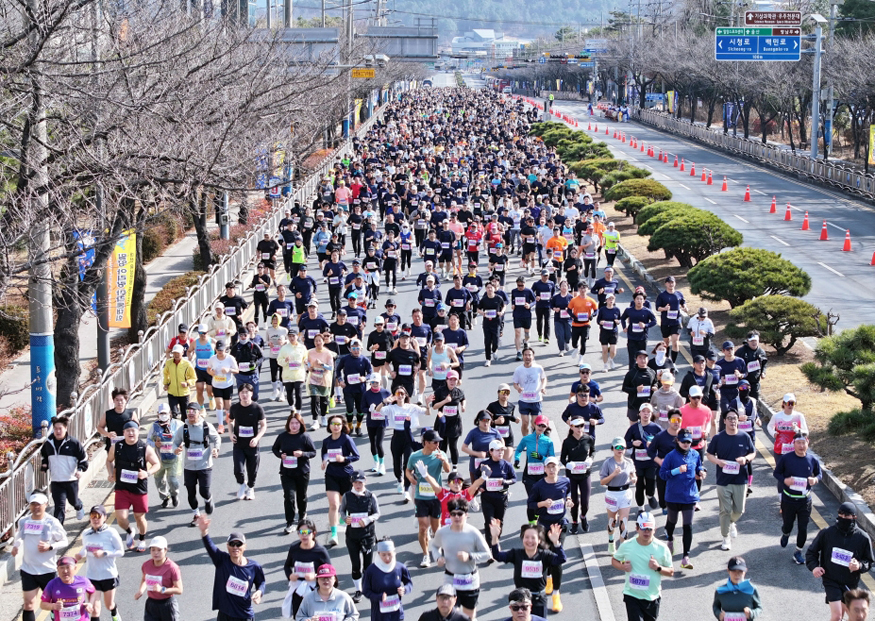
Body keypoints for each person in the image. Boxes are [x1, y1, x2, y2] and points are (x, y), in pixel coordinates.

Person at [806, 501, 875, 621]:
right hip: (830, 579)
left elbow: (869, 561)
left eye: (847, 515)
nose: (843, 518)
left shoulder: (863, 538)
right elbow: (811, 552)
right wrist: (814, 567)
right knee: (837, 616)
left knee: (848, 615)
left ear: (854, 517)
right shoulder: (827, 533)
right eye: (840, 515)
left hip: (850, 582)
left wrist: (859, 565)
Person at [429, 498, 492, 621]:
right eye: (453, 514)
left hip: (469, 580)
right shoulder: (442, 532)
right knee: (451, 616)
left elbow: (487, 554)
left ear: (466, 515)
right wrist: (438, 558)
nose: (456, 517)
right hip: (450, 579)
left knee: (469, 617)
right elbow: (434, 546)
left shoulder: (473, 533)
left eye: (460, 514)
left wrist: (470, 556)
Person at [11, 492, 69, 621]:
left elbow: (65, 541)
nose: (36, 507)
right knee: (28, 604)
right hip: (28, 569)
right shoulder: (24, 521)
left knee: (54, 605)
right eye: (33, 504)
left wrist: (50, 546)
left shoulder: (52, 522)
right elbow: (21, 536)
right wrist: (16, 546)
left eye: (39, 504)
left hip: (47, 570)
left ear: (46, 505)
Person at [491, 519, 565, 618]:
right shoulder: (516, 554)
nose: (529, 541)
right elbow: (497, 556)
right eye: (526, 537)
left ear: (539, 540)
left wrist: (556, 542)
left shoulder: (545, 555)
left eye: (533, 538)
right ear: (523, 539)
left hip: (539, 599)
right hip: (521, 601)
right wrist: (495, 537)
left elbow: (561, 559)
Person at [106, 420, 160, 553]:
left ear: (137, 432)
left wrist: (146, 473)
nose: (131, 433)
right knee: (121, 518)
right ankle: (130, 531)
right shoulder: (117, 447)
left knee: (139, 517)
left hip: (139, 489)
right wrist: (111, 473)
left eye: (133, 430)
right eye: (128, 431)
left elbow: (157, 464)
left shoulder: (145, 448)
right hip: (122, 488)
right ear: (123, 433)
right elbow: (109, 460)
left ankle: (142, 539)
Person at [705, 411, 756, 551]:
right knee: (725, 510)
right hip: (723, 480)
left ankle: (731, 522)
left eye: (735, 418)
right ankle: (725, 537)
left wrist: (745, 459)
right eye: (729, 418)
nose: (732, 421)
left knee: (739, 510)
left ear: (737, 421)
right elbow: (709, 454)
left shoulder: (744, 437)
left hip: (740, 479)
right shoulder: (718, 438)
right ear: (725, 421)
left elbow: (753, 452)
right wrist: (718, 462)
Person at [197, 517, 266, 621]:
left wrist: (259, 592)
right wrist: (204, 531)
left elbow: (261, 582)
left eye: (239, 544)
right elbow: (210, 546)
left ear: (245, 547)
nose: (235, 547)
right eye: (232, 544)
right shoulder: (222, 560)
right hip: (225, 615)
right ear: (227, 546)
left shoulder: (254, 566)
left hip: (244, 615)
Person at [526, 456, 571, 612]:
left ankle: (556, 595)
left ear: (559, 468)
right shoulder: (539, 486)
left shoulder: (565, 481)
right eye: (549, 467)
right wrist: (543, 504)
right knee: (547, 557)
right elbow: (530, 504)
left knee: (557, 559)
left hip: (560, 525)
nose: (552, 469)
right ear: (544, 469)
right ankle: (549, 579)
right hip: (544, 526)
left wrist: (569, 500)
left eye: (554, 466)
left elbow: (568, 494)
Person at [611, 511, 673, 621]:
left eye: (649, 529)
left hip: (652, 597)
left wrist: (658, 568)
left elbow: (671, 571)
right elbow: (614, 560)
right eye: (643, 528)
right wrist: (622, 567)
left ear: (655, 530)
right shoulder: (627, 545)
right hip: (632, 595)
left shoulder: (662, 548)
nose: (646, 532)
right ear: (637, 528)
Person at [659, 428, 706, 569]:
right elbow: (662, 475)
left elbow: (699, 466)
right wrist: (676, 471)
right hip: (673, 496)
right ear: (677, 441)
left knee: (688, 526)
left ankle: (686, 556)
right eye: (683, 441)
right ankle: (670, 539)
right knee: (672, 523)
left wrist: (701, 472)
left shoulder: (695, 454)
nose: (686, 444)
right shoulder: (671, 456)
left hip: (689, 496)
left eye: (688, 442)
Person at [407, 429, 452, 568]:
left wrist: (444, 461)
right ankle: (426, 555)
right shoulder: (415, 456)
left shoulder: (440, 454)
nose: (437, 444)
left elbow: (448, 470)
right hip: (421, 497)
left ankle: (437, 551)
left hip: (436, 497)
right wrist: (411, 478)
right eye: (435, 442)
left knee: (436, 528)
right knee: (422, 527)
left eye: (439, 442)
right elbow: (408, 470)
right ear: (426, 443)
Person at [774, 431, 821, 564]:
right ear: (793, 444)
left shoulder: (812, 459)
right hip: (788, 499)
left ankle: (798, 551)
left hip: (805, 500)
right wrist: (785, 480)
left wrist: (815, 480)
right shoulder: (786, 458)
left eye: (803, 443)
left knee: (803, 528)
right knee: (788, 524)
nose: (801, 446)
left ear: (808, 443)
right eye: (798, 443)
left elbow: (819, 474)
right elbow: (776, 473)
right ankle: (786, 533)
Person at [172, 402, 221, 527]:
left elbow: (216, 439)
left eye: (194, 411)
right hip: (189, 466)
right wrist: (175, 449)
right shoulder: (183, 428)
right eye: (188, 412)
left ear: (199, 413)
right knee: (191, 492)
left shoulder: (206, 426)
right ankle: (196, 514)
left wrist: (216, 448)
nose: (191, 414)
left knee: (204, 490)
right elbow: (175, 442)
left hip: (204, 464)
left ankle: (208, 499)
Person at [76, 505, 124, 621]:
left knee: (109, 605)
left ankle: (114, 611)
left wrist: (105, 553)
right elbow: (86, 547)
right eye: (93, 516)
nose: (95, 519)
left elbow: (121, 551)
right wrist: (80, 555)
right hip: (92, 576)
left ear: (104, 518)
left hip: (108, 575)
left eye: (98, 516)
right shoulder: (86, 533)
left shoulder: (111, 533)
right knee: (95, 609)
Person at [272, 412, 318, 533]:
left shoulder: (305, 437)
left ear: (300, 424)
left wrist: (303, 454)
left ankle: (302, 515)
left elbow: (313, 452)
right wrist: (280, 455)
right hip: (286, 472)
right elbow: (275, 448)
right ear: (288, 424)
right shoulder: (283, 436)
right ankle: (290, 522)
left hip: (302, 472)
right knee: (289, 496)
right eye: (292, 423)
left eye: (296, 423)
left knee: (301, 496)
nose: (294, 426)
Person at [341, 470, 382, 602]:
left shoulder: (371, 496)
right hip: (352, 536)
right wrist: (344, 519)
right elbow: (341, 510)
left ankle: (368, 587)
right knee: (355, 564)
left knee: (368, 565)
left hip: (367, 536)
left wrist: (368, 520)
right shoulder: (347, 496)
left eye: (360, 482)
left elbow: (377, 513)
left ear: (365, 481)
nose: (358, 485)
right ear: (352, 483)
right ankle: (359, 590)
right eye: (355, 482)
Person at [322, 414, 361, 546]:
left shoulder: (346, 439)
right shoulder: (326, 441)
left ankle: (346, 520)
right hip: (331, 474)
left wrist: (344, 459)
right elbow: (325, 453)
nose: (336, 426)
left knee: (346, 503)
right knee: (334, 504)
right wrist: (324, 461)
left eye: (338, 424)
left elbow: (356, 456)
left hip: (345, 474)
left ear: (342, 426)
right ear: (329, 425)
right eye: (333, 424)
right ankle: (333, 535)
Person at [40, 415, 87, 524]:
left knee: (73, 501)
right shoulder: (49, 443)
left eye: (60, 428)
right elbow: (44, 455)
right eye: (55, 429)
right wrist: (45, 464)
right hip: (56, 480)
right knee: (59, 507)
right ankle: (58, 530)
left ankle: (79, 507)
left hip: (71, 480)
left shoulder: (73, 443)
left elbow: (83, 458)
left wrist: (80, 469)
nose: (57, 431)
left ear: (66, 428)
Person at [282, 518, 333, 616]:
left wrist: (315, 576)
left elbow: (330, 573)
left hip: (316, 591)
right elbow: (287, 566)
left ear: (314, 533)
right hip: (298, 590)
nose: (304, 535)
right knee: (298, 616)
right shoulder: (294, 548)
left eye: (307, 532)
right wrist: (290, 575)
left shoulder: (320, 551)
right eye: (301, 532)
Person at [228, 383, 267, 501]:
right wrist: (230, 433)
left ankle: (250, 487)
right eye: (242, 392)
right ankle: (241, 485)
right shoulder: (235, 408)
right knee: (238, 470)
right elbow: (230, 421)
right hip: (238, 444)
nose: (244, 395)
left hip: (252, 445)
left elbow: (264, 425)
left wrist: (257, 438)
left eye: (247, 392)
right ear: (239, 394)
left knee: (252, 469)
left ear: (251, 393)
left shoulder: (257, 408)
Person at [600, 436, 637, 554]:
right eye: (617, 447)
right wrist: (613, 474)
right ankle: (611, 542)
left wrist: (634, 478)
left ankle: (622, 549)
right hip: (612, 493)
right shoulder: (608, 463)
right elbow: (602, 482)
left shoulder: (629, 462)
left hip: (625, 493)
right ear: (613, 449)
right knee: (612, 521)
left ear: (625, 449)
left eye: (622, 447)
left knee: (624, 523)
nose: (620, 450)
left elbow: (632, 473)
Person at [362, 538, 414, 621]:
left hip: (397, 614)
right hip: (379, 615)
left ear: (394, 552)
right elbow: (366, 591)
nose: (387, 558)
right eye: (383, 555)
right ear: (378, 554)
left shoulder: (400, 568)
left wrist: (404, 589)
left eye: (390, 554)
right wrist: (378, 597)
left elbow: (409, 584)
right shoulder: (371, 570)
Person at [135, 535, 183, 621]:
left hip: (167, 604)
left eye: (159, 550)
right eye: (153, 550)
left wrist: (162, 590)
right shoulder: (146, 565)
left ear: (165, 550)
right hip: (151, 604)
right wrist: (141, 590)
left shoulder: (172, 568)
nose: (155, 553)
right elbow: (144, 579)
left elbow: (179, 590)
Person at [625, 405, 662, 513]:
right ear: (639, 413)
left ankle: (650, 495)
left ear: (651, 414)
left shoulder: (656, 428)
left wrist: (653, 444)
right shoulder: (633, 428)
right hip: (637, 462)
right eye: (643, 411)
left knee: (651, 482)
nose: (646, 414)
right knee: (639, 486)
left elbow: (662, 442)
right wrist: (632, 443)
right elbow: (624, 443)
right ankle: (641, 508)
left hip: (651, 462)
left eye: (648, 412)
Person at [146, 403, 182, 508]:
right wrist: (154, 444)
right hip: (159, 459)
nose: (163, 415)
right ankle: (165, 498)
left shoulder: (177, 424)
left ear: (170, 414)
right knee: (159, 481)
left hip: (173, 458)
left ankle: (174, 494)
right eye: (161, 413)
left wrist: (180, 445)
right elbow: (147, 441)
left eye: (165, 413)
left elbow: (184, 436)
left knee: (172, 480)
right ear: (158, 414)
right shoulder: (154, 427)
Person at [295, 564, 359, 621]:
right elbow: (299, 617)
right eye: (322, 578)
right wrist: (309, 620)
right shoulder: (308, 598)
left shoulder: (343, 597)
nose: (325, 580)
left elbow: (354, 615)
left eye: (329, 578)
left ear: (335, 579)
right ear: (317, 580)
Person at [711, 556, 763, 620]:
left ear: (745, 571)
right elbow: (716, 606)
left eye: (740, 571)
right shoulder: (721, 591)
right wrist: (719, 615)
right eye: (733, 571)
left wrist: (751, 613)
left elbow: (759, 607)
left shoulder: (751, 589)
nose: (737, 574)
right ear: (728, 571)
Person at [512, 348, 547, 437]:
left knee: (535, 424)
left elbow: (544, 378)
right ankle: (526, 440)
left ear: (533, 356)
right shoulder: (518, 370)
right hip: (524, 400)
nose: (527, 357)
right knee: (525, 423)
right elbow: (515, 383)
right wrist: (518, 388)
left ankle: (534, 440)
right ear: (523, 356)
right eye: (525, 355)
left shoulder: (538, 368)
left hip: (536, 400)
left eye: (529, 355)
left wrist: (543, 387)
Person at [206, 340, 239, 434]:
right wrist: (211, 372)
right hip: (216, 384)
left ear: (225, 349)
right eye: (218, 350)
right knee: (219, 404)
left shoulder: (230, 358)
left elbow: (237, 370)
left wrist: (229, 370)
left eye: (221, 350)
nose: (220, 352)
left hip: (227, 384)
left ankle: (228, 416)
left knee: (227, 406)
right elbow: (208, 369)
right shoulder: (212, 358)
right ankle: (220, 425)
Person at [307, 333, 337, 428]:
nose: (318, 342)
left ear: (323, 342)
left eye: (320, 340)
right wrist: (309, 367)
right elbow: (306, 361)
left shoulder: (328, 353)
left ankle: (323, 417)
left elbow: (331, 367)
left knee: (324, 400)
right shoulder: (310, 352)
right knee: (314, 399)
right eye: (316, 341)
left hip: (324, 379)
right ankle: (315, 420)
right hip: (313, 378)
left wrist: (322, 364)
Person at [655, 276, 686, 363]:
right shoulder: (662, 295)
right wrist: (664, 308)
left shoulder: (679, 294)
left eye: (672, 282)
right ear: (666, 284)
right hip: (665, 322)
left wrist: (685, 306)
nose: (671, 284)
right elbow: (657, 307)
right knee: (666, 342)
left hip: (676, 321)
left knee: (675, 341)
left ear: (675, 283)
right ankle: (666, 359)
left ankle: (673, 363)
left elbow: (683, 301)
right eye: (669, 282)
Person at [622, 351, 657, 426]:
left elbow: (656, 382)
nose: (643, 360)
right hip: (634, 404)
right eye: (640, 358)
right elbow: (624, 388)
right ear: (636, 360)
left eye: (644, 358)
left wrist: (655, 387)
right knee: (633, 426)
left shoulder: (652, 372)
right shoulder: (631, 373)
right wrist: (636, 389)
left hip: (648, 404)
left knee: (649, 426)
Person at [278, 328, 308, 414]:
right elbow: (279, 361)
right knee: (289, 394)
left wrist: (306, 360)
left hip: (299, 375)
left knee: (298, 394)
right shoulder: (284, 348)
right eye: (290, 336)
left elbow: (306, 357)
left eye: (293, 336)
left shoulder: (302, 347)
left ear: (297, 336)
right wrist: (285, 361)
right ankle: (292, 407)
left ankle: (298, 412)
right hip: (288, 375)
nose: (292, 338)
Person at [163, 344, 197, 418]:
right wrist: (166, 383)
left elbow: (194, 378)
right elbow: (166, 374)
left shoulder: (187, 364)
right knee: (173, 414)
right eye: (174, 353)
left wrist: (187, 383)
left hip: (184, 394)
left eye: (178, 353)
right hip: (172, 393)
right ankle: (174, 429)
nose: (176, 355)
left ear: (182, 353)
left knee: (185, 414)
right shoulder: (169, 363)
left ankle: (184, 429)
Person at [735, 331, 767, 399]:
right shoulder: (741, 352)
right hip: (743, 382)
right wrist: (738, 373)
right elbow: (735, 363)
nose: (754, 343)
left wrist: (763, 372)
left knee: (755, 400)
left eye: (755, 341)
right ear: (748, 341)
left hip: (755, 382)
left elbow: (764, 363)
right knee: (743, 399)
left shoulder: (761, 352)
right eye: (752, 341)